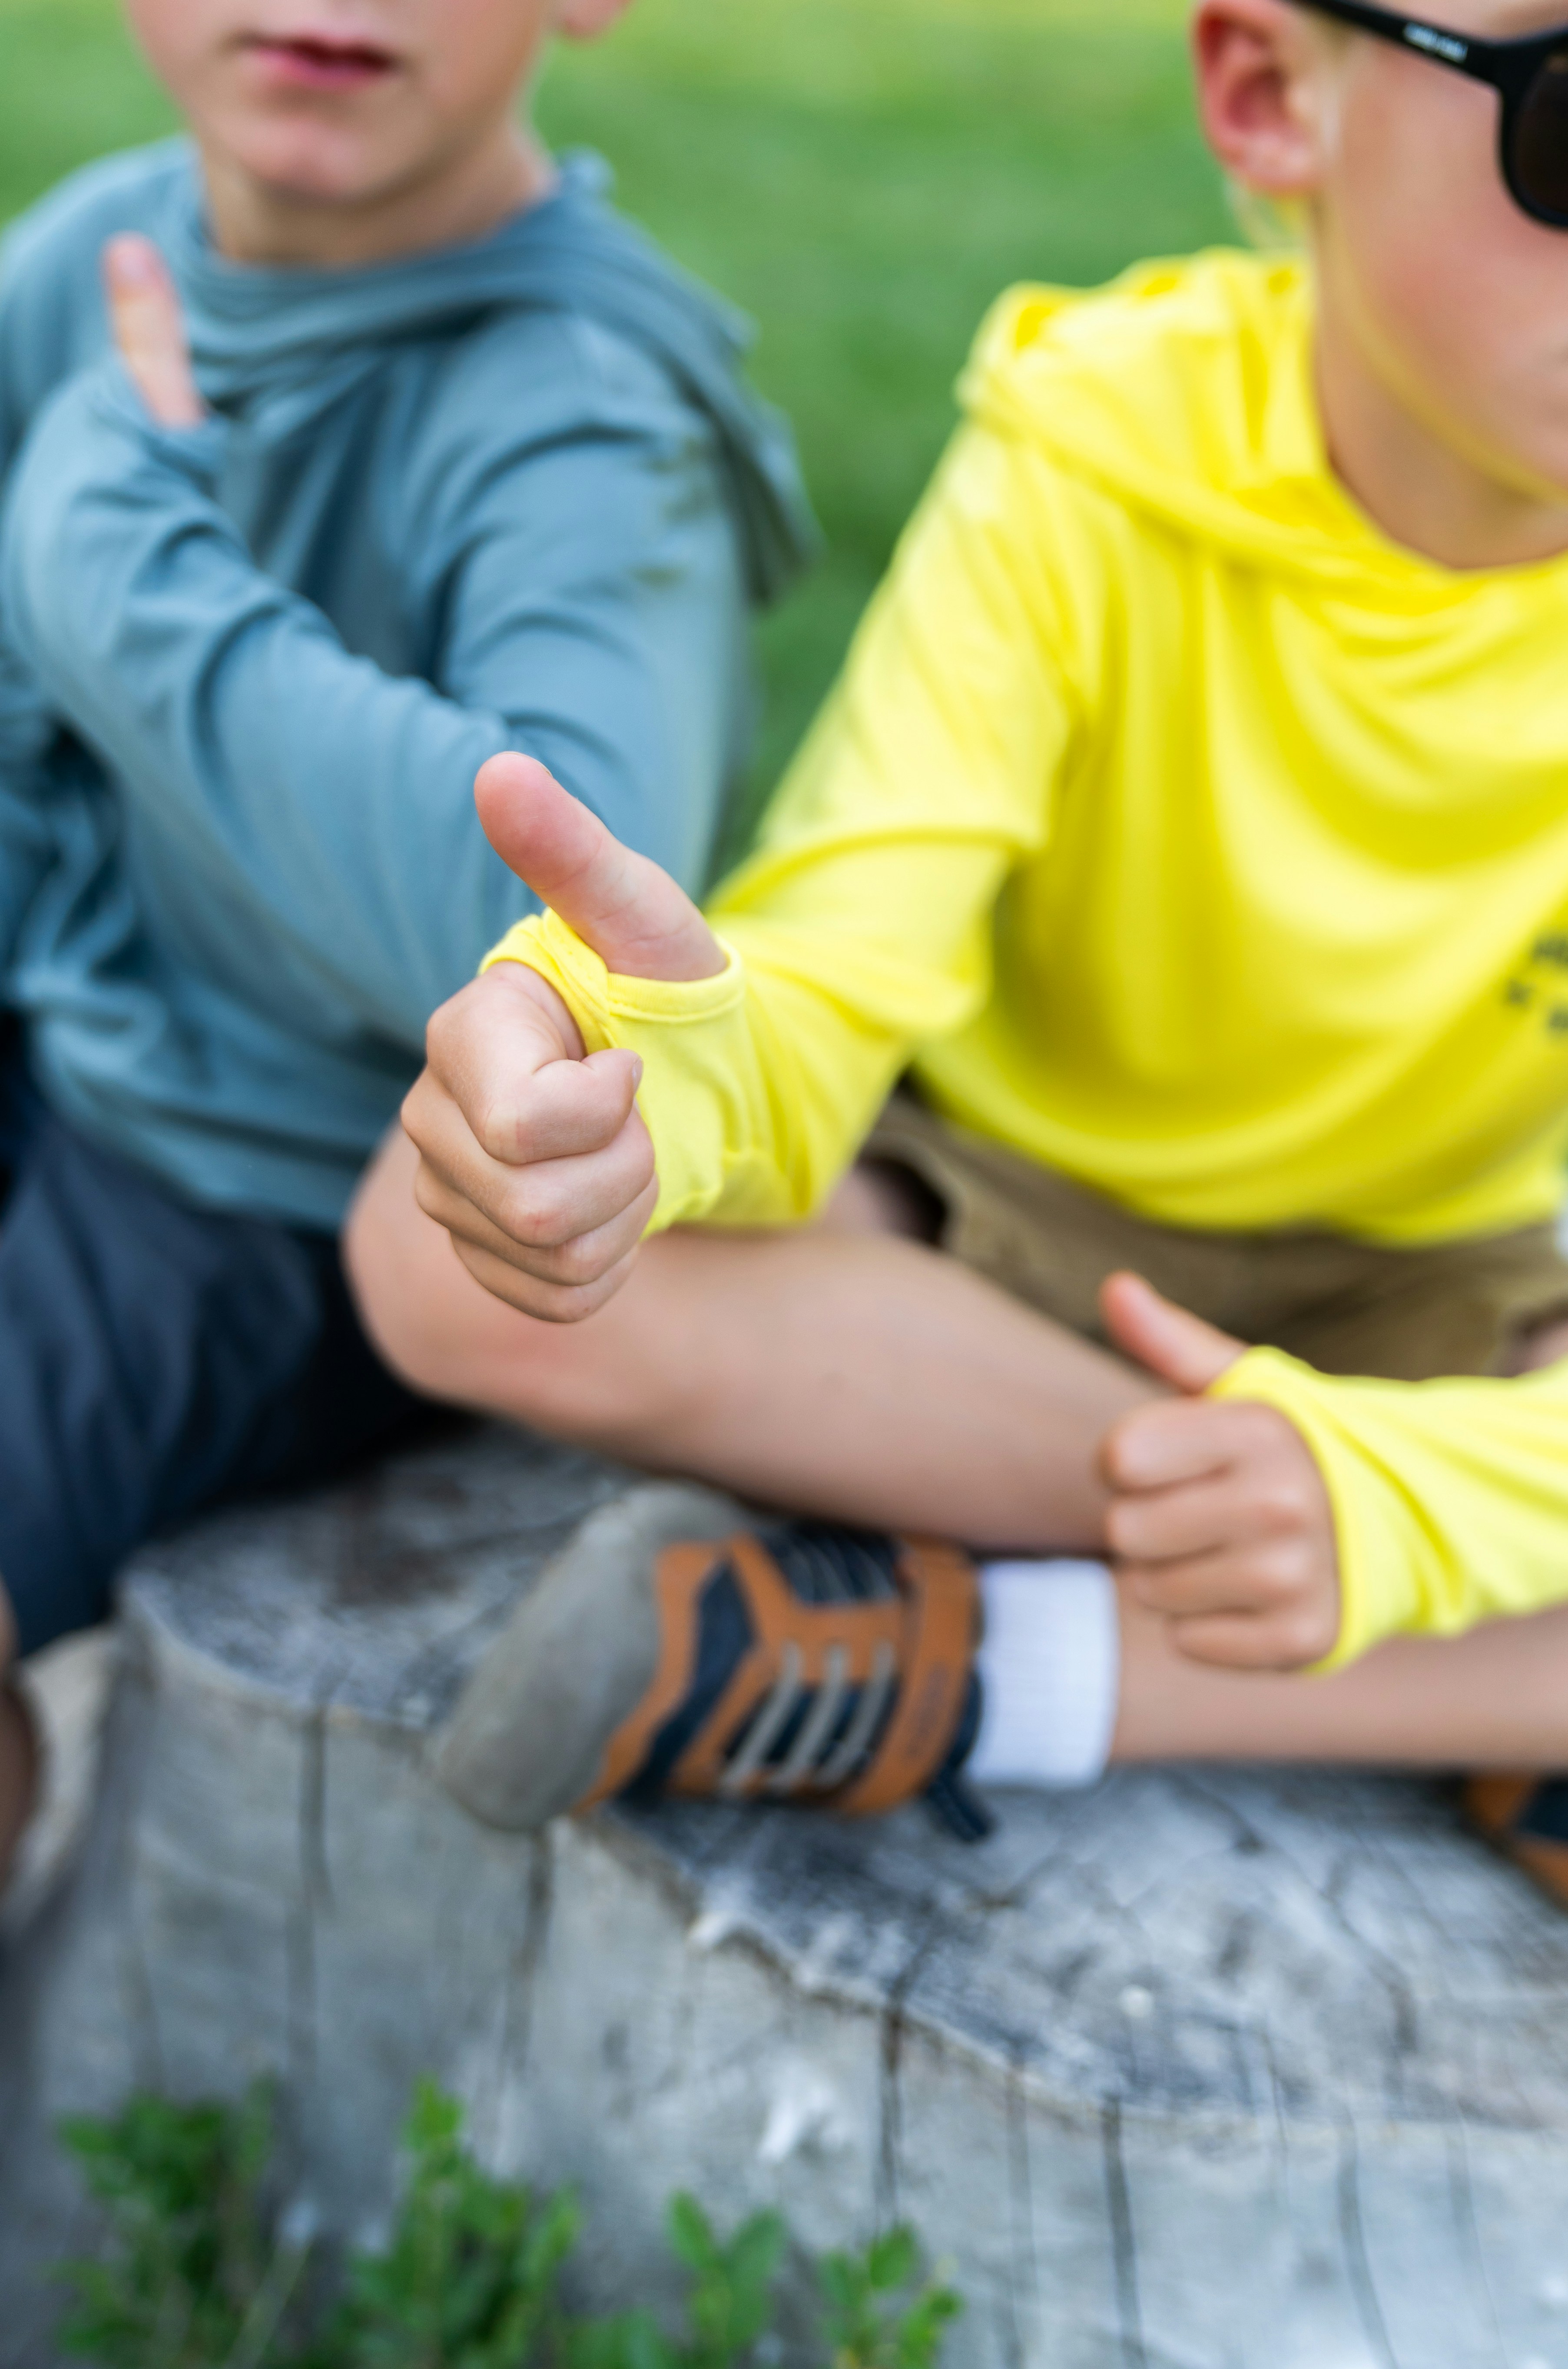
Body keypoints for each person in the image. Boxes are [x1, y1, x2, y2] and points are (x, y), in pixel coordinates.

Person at [351, 0, 1568, 1892]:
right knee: (441, 1254)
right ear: (1268, 93)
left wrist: (1446, 1487)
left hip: (1462, 1293)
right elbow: (837, 963)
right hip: (1011, 1237)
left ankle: (992, 1666)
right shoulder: (1099, 446)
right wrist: (636, 1072)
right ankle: (1459, 1671)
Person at [0, 0, 815, 1891]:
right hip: (68, 1024)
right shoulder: (101, 252)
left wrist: (117, 569)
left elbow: (542, 931)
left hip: (273, 1179)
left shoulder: (580, 412)